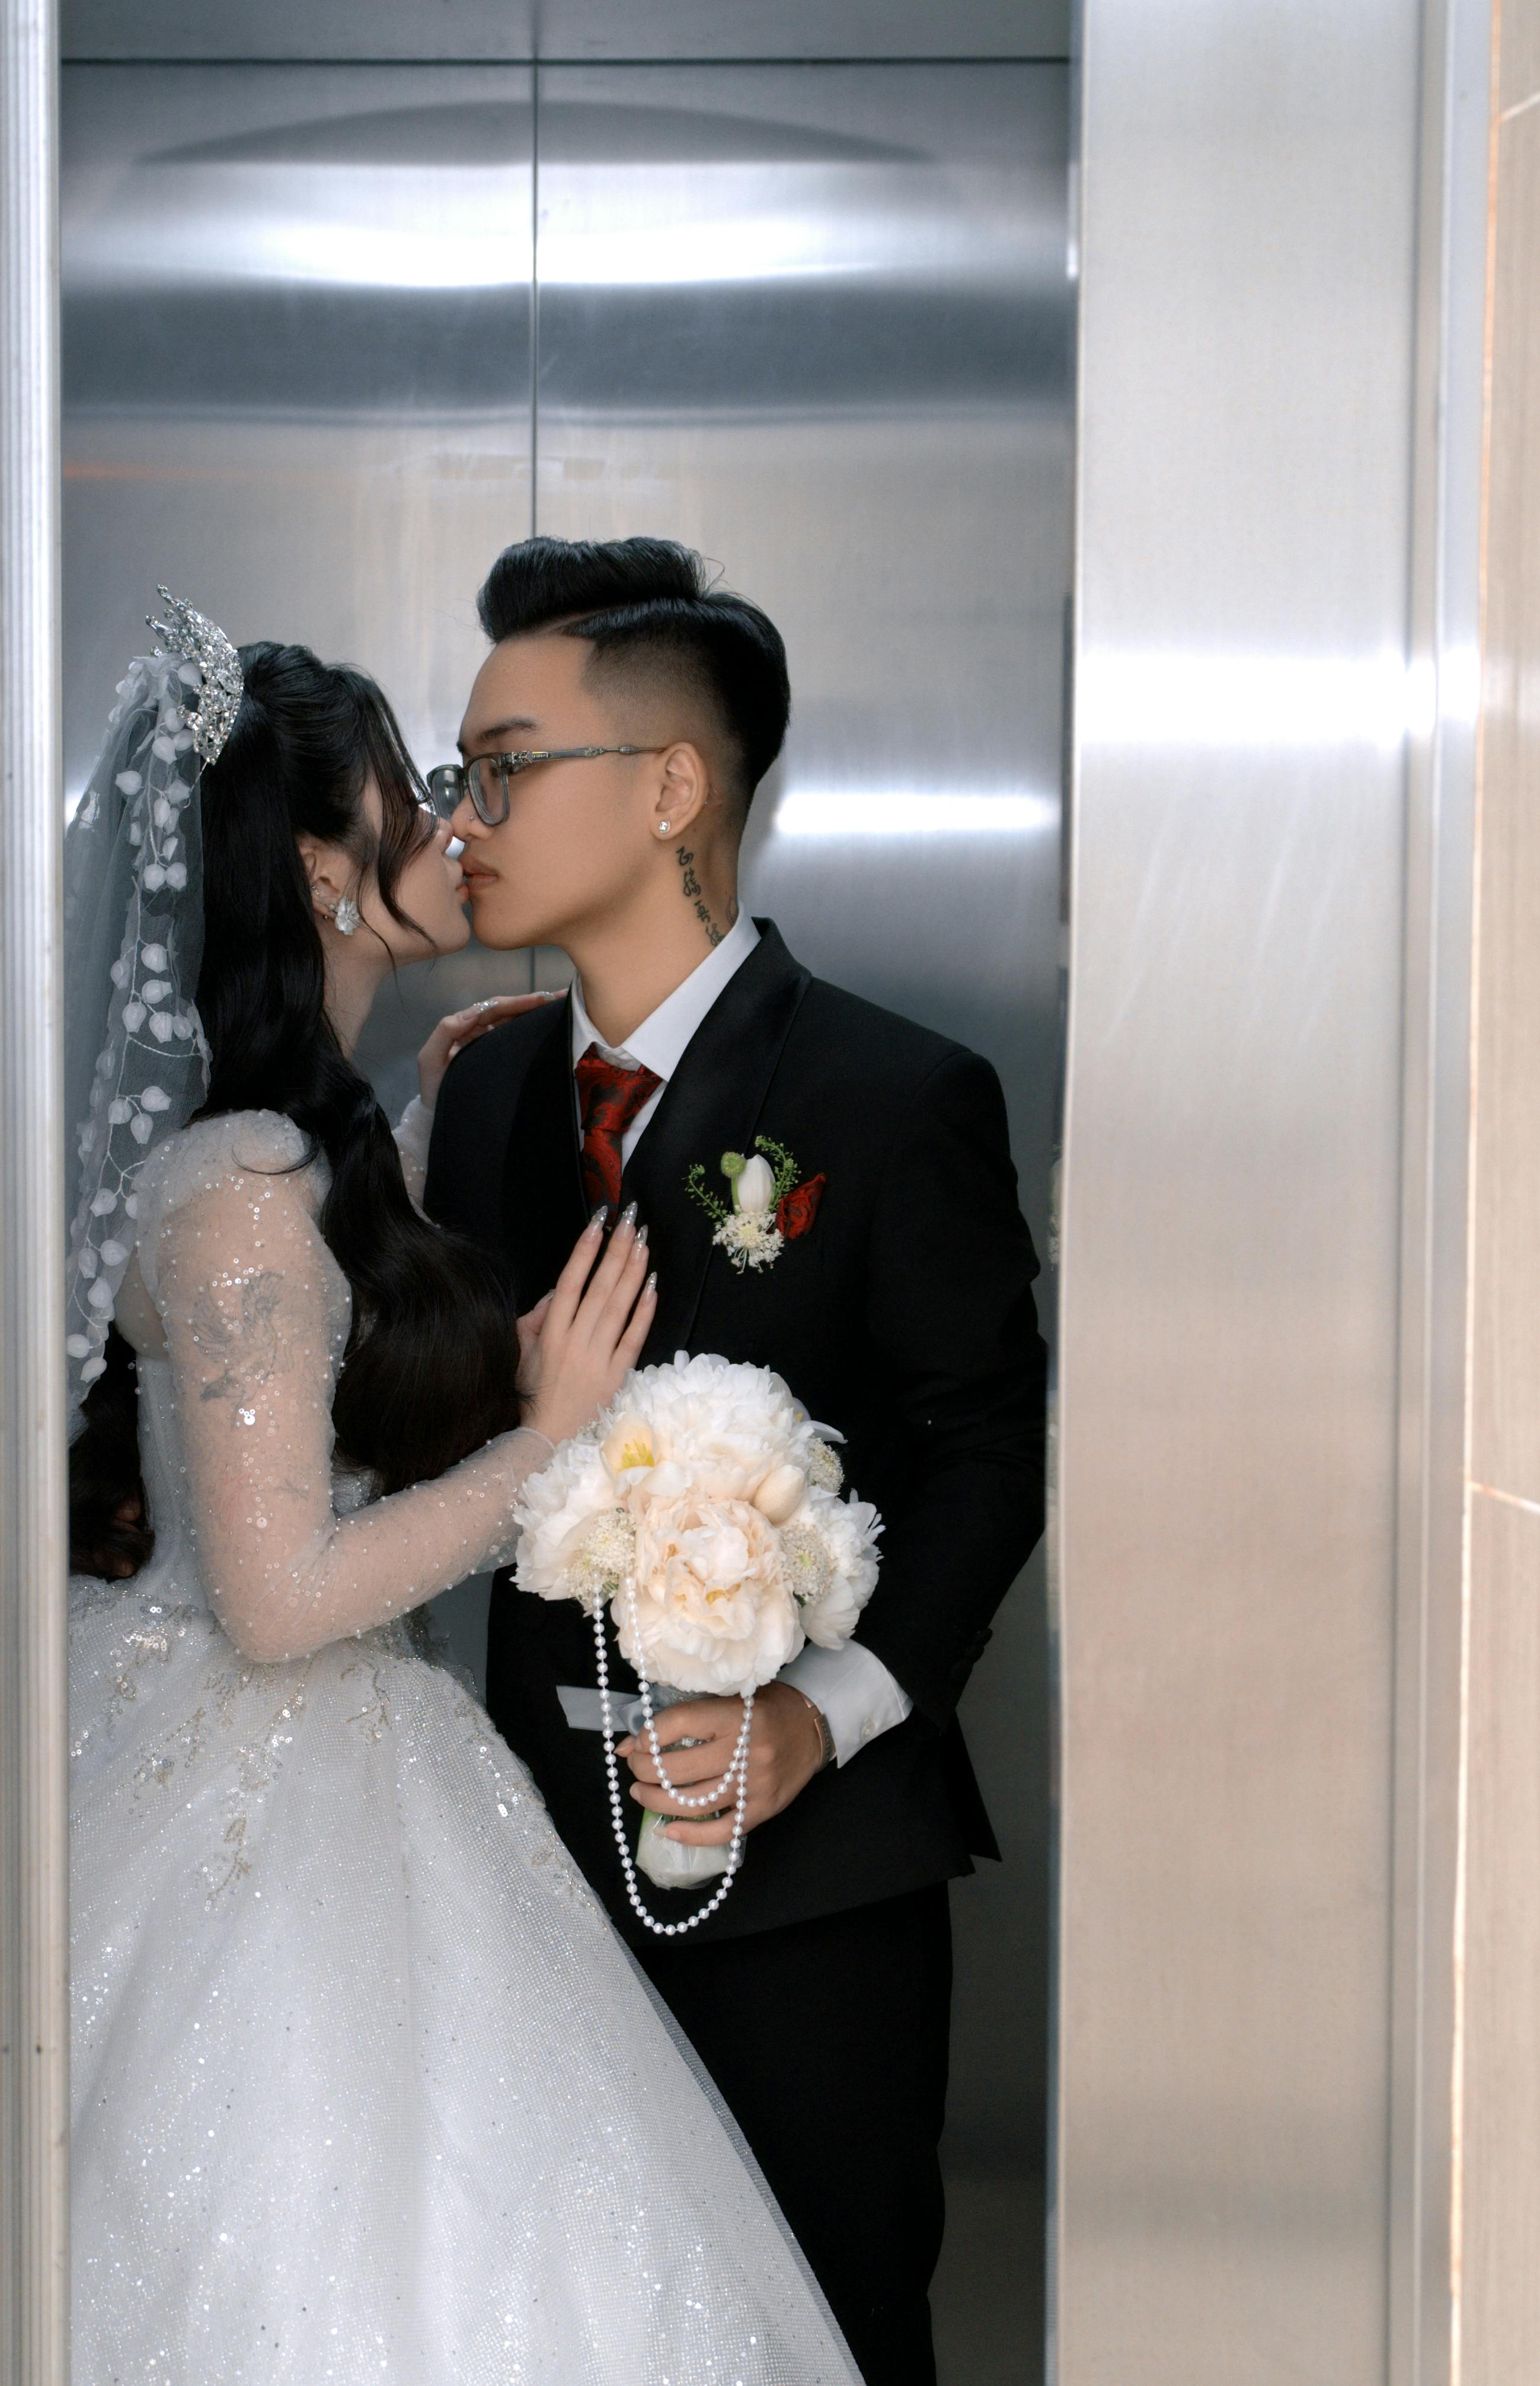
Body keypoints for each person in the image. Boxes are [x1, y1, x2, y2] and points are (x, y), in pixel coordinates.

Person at [59, 596, 861, 2385]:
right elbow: (274, 1600)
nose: (456, 825)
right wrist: (549, 1448)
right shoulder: (247, 1184)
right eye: (418, 794)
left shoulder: (296, 1147)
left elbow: (316, 1370)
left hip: (333, 1752)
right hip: (289, 1769)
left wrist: (422, 1126)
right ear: (326, 876)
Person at [417, 537, 1050, 2386]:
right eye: (463, 773)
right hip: (525, 1871)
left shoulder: (890, 1094)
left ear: (674, 789)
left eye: (509, 765)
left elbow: (987, 1452)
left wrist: (824, 1709)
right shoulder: (483, 1094)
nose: (471, 815)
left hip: (816, 1890)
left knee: (833, 2335)